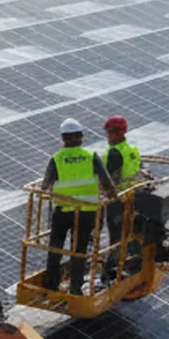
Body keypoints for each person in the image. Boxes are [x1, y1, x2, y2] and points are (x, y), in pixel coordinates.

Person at [40, 119, 116, 295]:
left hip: (63, 212)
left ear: (63, 138)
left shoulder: (56, 159)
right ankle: (75, 288)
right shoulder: (91, 157)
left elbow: (45, 186)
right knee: (79, 250)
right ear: (81, 137)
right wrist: (113, 196)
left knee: (55, 248)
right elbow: (107, 183)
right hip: (86, 212)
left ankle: (51, 285)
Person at [99, 116, 144, 286]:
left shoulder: (115, 152)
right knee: (129, 233)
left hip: (118, 201)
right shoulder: (131, 149)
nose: (108, 136)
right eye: (107, 132)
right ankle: (132, 262)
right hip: (132, 197)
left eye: (111, 132)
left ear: (119, 132)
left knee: (116, 237)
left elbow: (112, 180)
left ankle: (111, 271)